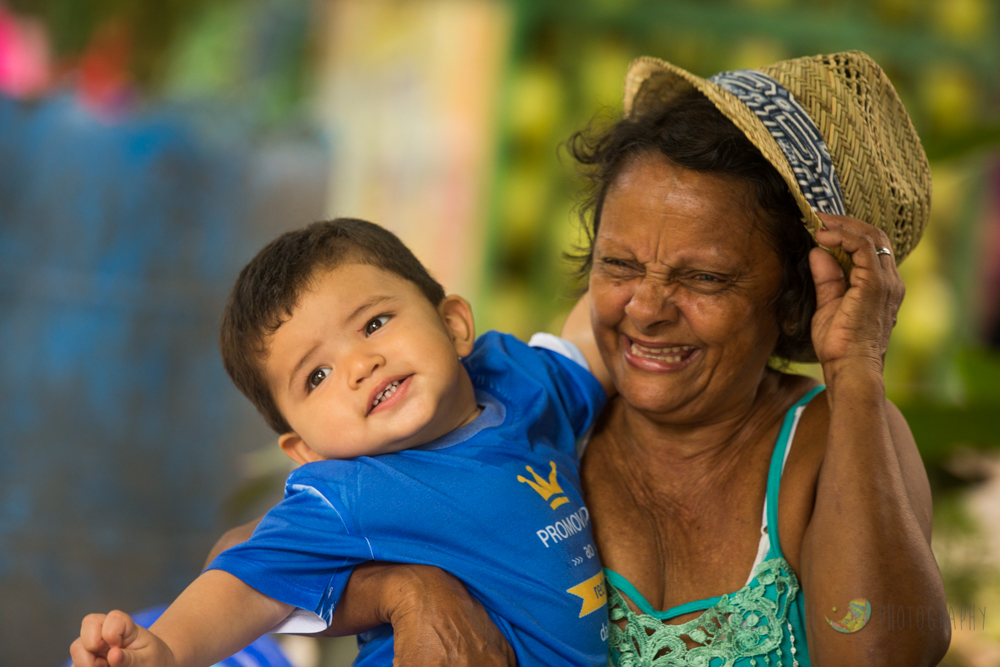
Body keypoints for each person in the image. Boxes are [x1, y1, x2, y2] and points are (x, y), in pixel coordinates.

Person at [212, 51, 946, 666]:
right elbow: (248, 551)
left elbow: (884, 654)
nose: (648, 307)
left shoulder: (836, 438)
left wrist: (856, 372)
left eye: (705, 278)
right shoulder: (546, 414)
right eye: (619, 264)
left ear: (793, 297)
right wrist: (406, 588)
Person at [70, 219, 617, 667]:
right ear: (306, 450)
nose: (360, 366)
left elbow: (593, 334)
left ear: (453, 324)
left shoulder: (519, 382)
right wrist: (168, 651)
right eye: (316, 376)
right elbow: (244, 580)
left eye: (374, 323)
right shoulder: (352, 492)